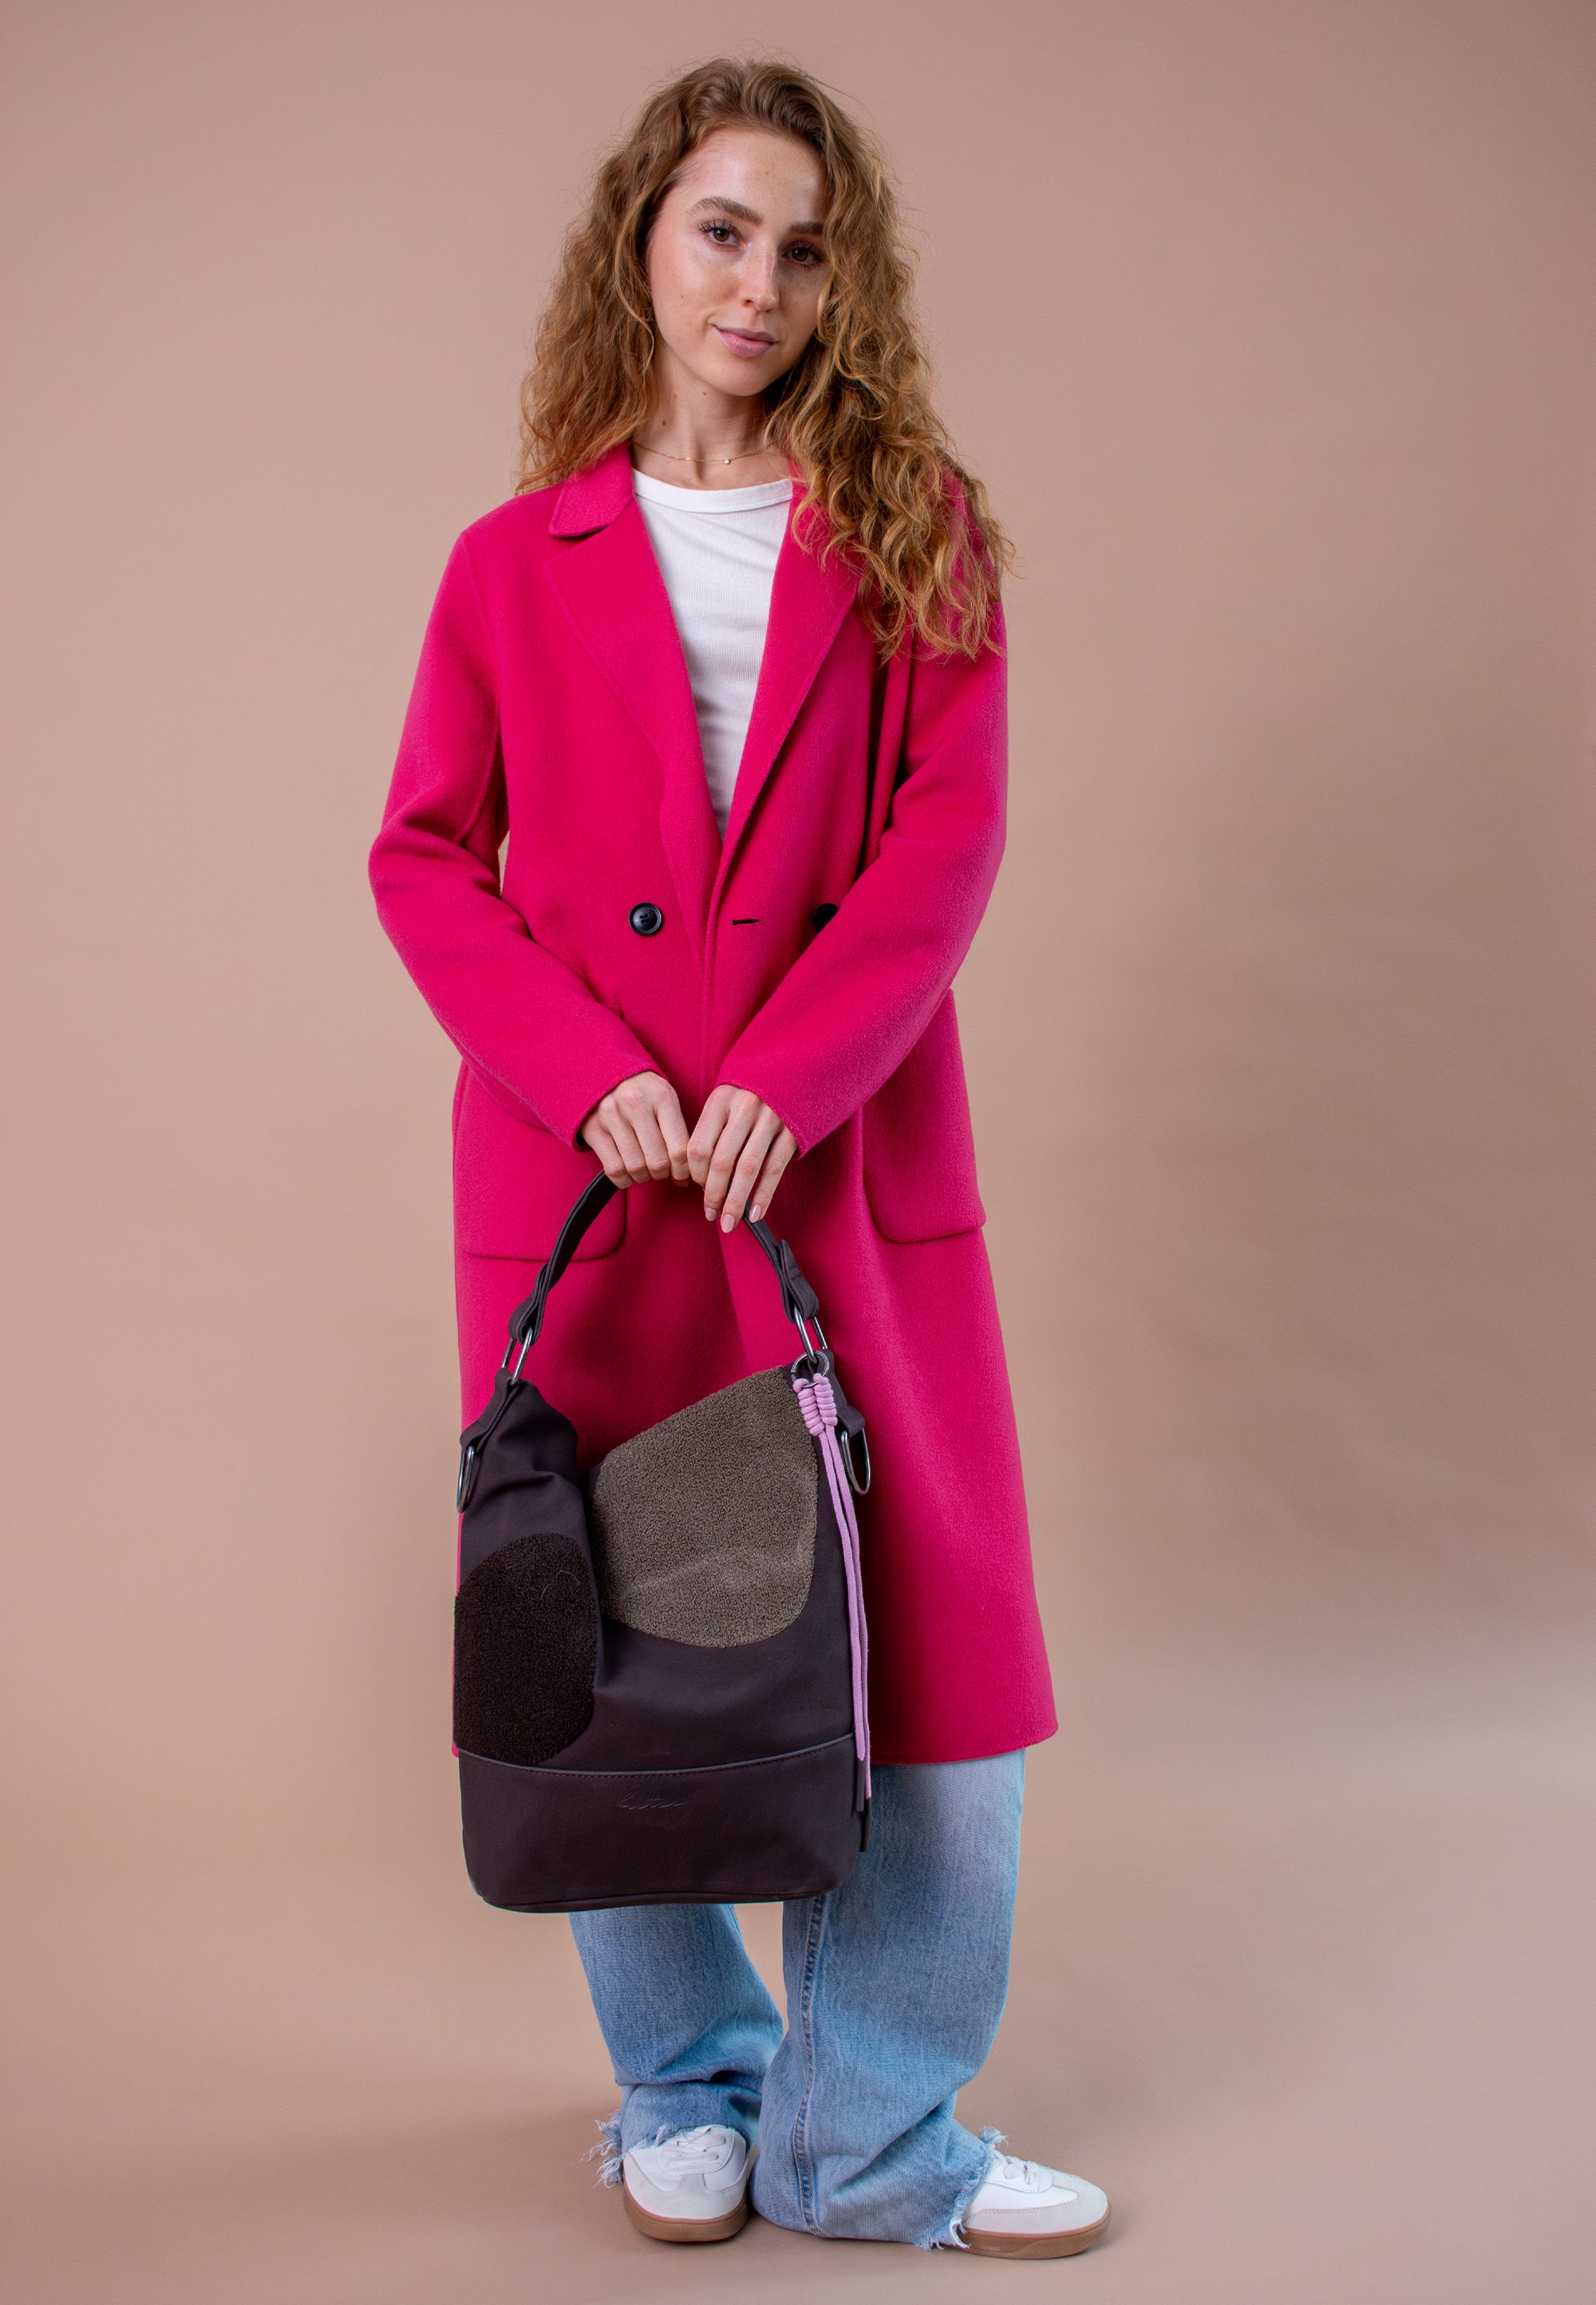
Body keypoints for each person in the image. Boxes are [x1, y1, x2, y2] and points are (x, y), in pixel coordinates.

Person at [369, 55, 1108, 2260]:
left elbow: (945, 842)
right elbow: (425, 857)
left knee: (923, 1645)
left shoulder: (918, 532)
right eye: (722, 228)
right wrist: (574, 1065)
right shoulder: (510, 565)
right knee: (623, 1627)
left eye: (803, 246)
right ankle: (684, 2082)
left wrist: (799, 1069)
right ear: (643, 239)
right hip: (596, 1177)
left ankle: (868, 2134)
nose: (758, 283)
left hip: (833, 1163)